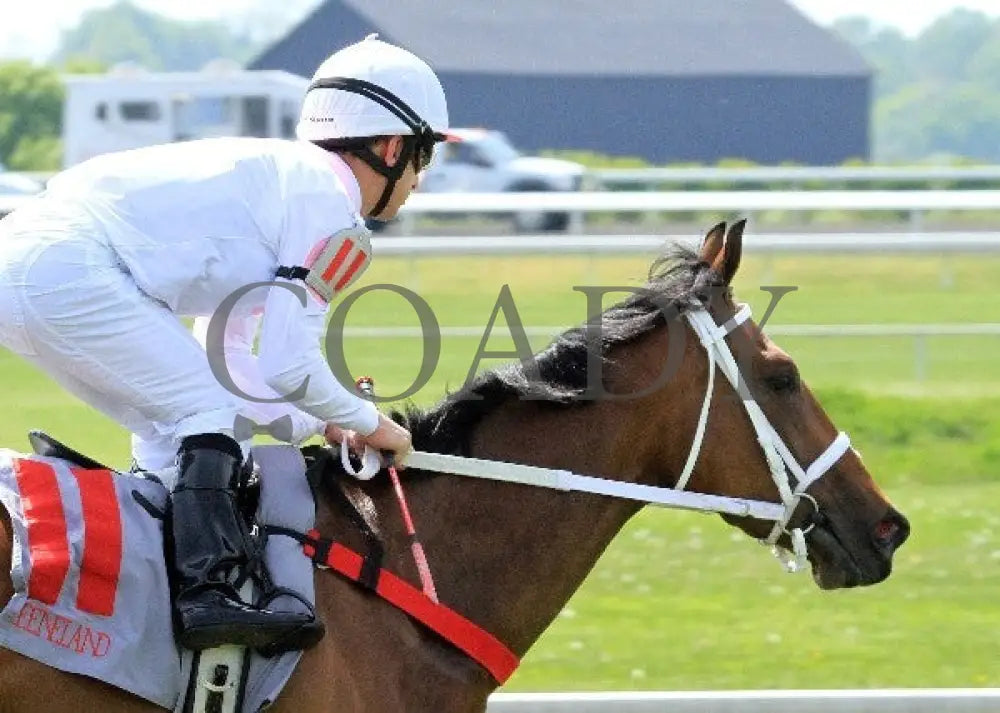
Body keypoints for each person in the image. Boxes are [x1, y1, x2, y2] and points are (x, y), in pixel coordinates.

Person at [0, 35, 450, 654]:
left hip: (33, 268)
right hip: (64, 270)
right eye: (424, 159)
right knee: (203, 416)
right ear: (393, 147)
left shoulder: (275, 183)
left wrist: (320, 425)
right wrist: (372, 424)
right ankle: (209, 597)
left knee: (179, 428)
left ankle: (147, 596)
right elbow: (287, 362)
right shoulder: (329, 206)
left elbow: (235, 362)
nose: (419, 181)